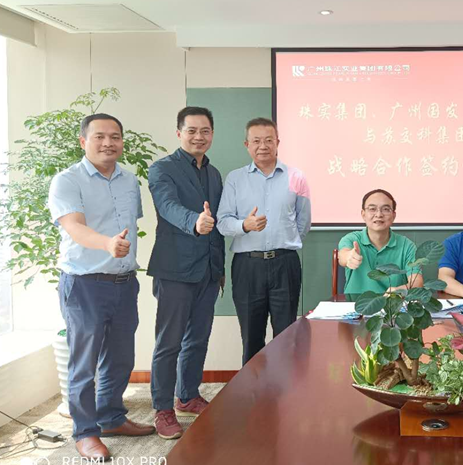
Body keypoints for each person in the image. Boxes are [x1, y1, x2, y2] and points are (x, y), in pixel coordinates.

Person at [48, 113, 155, 460]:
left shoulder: (129, 180)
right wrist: (107, 244)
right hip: (84, 284)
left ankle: (111, 418)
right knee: (84, 363)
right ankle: (85, 432)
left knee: (121, 358)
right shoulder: (67, 180)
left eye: (115, 137)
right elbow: (74, 227)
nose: (108, 143)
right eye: (99, 137)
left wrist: (118, 249)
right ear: (83, 141)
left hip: (124, 283)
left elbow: (128, 225)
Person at [147, 107, 225, 440]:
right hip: (175, 270)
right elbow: (167, 206)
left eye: (205, 131)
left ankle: (187, 395)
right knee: (169, 342)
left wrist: (219, 268)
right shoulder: (162, 169)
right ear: (179, 133)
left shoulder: (214, 174)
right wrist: (194, 221)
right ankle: (162, 409)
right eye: (191, 130)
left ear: (212, 134)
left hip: (208, 270)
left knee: (198, 338)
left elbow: (218, 221)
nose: (198, 137)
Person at [217, 118, 311, 366]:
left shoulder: (296, 177)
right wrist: (244, 226)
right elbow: (222, 222)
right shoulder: (235, 179)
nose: (263, 146)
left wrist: (284, 242)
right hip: (248, 266)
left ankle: (285, 387)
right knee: (251, 336)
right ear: (247, 145)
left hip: (285, 264)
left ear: (278, 142)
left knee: (286, 335)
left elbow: (303, 222)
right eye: (256, 141)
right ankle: (253, 389)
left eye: (269, 140)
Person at [337, 189, 421, 294]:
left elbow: (417, 282)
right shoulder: (351, 239)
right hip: (356, 302)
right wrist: (349, 257)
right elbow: (343, 256)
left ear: (394, 215)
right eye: (372, 209)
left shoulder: (407, 246)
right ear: (363, 214)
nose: (379, 214)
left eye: (385, 209)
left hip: (393, 302)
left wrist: (398, 291)